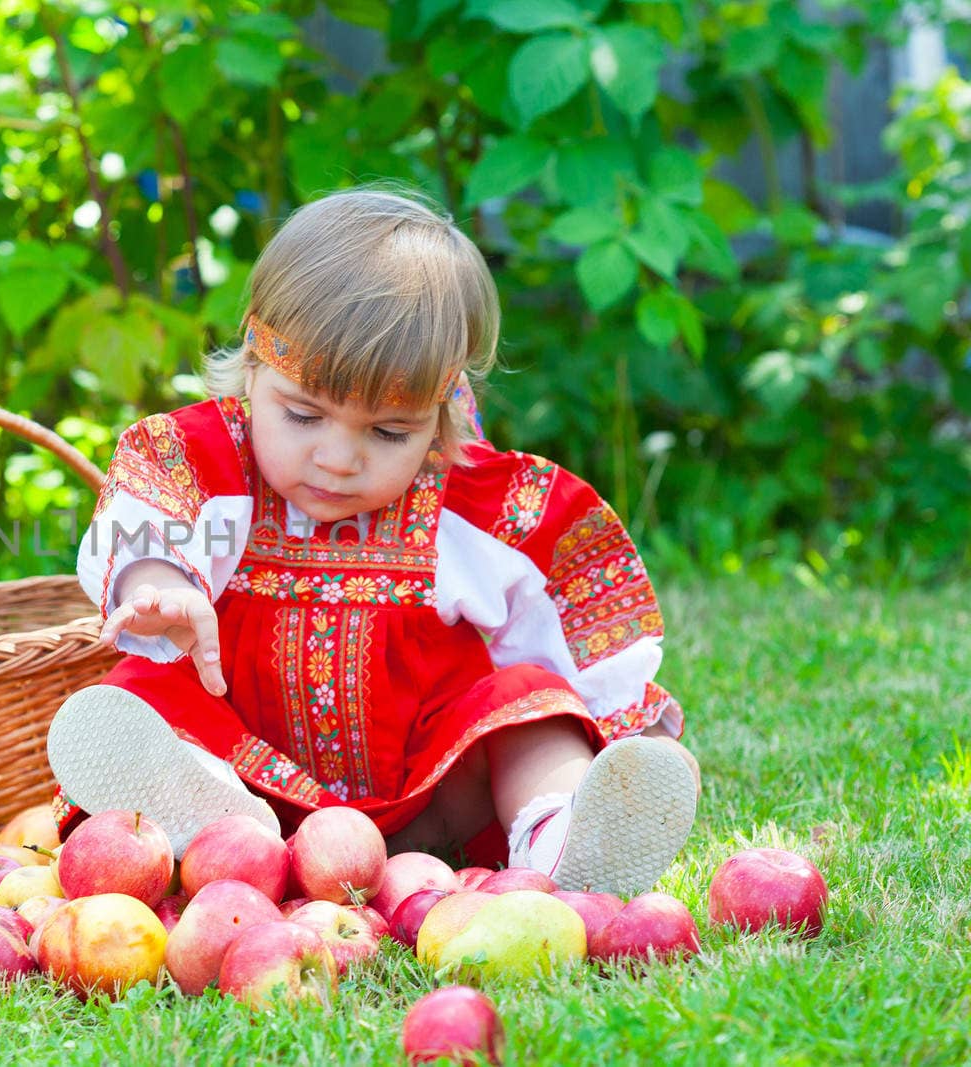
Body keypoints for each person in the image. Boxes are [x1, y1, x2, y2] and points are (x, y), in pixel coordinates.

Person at [45, 185, 699, 895]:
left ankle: (561, 834)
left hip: (430, 799)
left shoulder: (470, 504)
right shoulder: (216, 463)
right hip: (251, 778)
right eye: (302, 415)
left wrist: (624, 723)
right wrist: (157, 584)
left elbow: (570, 596)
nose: (337, 457)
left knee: (530, 703)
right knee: (147, 689)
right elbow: (147, 493)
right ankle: (210, 817)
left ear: (439, 416)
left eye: (388, 433)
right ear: (255, 373)